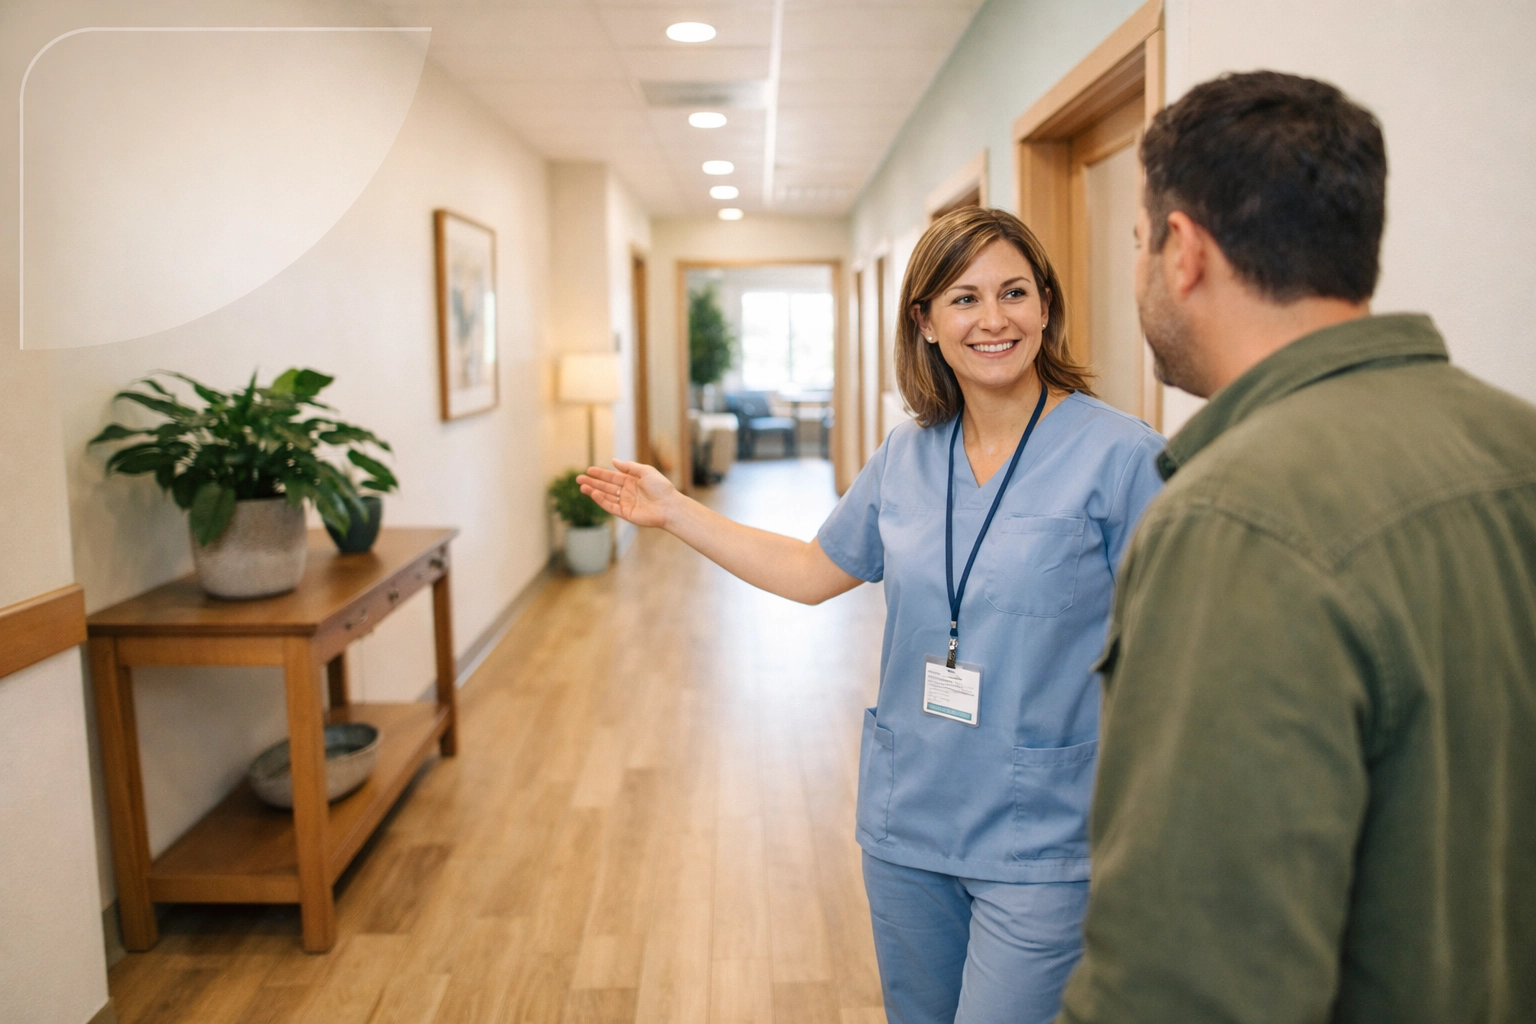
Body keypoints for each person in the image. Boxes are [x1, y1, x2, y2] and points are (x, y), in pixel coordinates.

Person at [580, 207, 1162, 1024]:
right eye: (963, 299)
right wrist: (677, 513)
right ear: (924, 322)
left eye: (1014, 293)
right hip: (908, 817)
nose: (993, 319)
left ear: (1046, 307)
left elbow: (1178, 649)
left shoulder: (1123, 455)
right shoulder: (907, 455)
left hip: (1044, 837)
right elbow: (815, 570)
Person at [1056, 71, 1536, 1024]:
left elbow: (1188, 982)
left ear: (1183, 250)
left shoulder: (1234, 517)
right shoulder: (1514, 445)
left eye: (1140, 242)